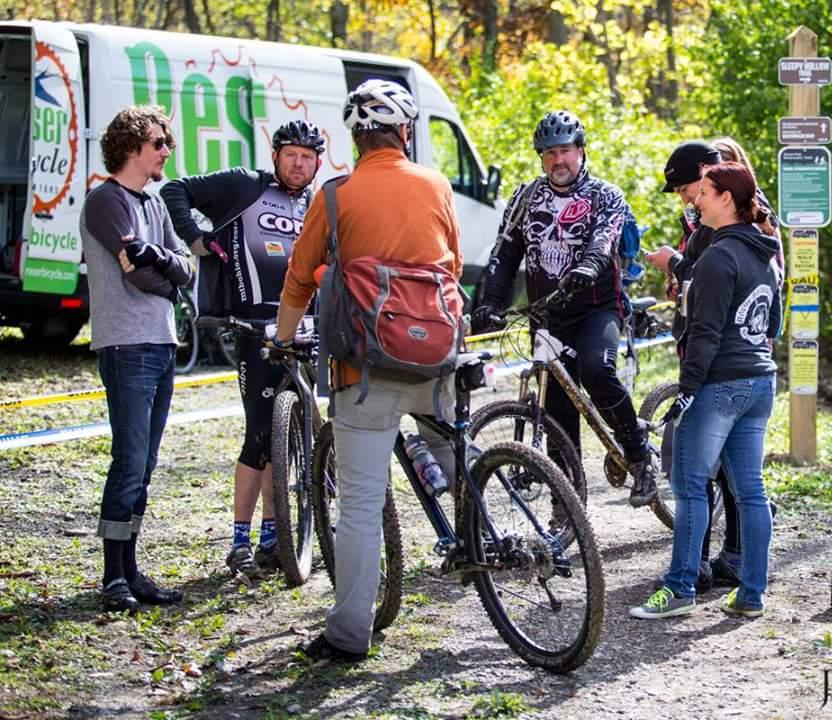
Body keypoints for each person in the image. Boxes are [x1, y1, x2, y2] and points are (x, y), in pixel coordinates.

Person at [273, 79, 462, 661]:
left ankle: (349, 634)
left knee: (357, 505)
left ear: (355, 138)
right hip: (437, 359)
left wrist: (284, 342)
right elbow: (451, 263)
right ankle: (488, 537)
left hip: (365, 372)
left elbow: (300, 280)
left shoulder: (335, 196)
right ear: (405, 132)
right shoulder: (436, 184)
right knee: (459, 459)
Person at [161, 120, 324, 580]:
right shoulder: (244, 185)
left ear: (317, 164)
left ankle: (275, 536)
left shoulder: (314, 204)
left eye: (307, 157)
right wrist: (198, 240)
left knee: (286, 442)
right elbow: (175, 189)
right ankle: (239, 541)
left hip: (303, 331)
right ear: (276, 156)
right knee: (258, 435)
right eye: (291, 154)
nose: (299, 163)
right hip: (254, 329)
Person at [471, 110, 658, 506]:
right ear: (541, 157)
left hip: (597, 308)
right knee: (555, 404)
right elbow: (504, 255)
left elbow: (605, 240)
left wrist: (589, 267)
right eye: (550, 153)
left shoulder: (605, 195)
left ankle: (640, 456)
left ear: (581, 151)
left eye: (566, 151)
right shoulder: (526, 198)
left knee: (597, 369)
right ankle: (567, 502)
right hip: (548, 316)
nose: (559, 160)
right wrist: (489, 302)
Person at [630, 162, 782, 620]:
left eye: (706, 192)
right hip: (761, 381)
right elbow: (773, 323)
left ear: (727, 199)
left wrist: (687, 391)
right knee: (750, 489)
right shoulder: (763, 252)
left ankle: (678, 589)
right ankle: (751, 594)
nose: (696, 200)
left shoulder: (720, 257)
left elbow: (704, 334)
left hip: (722, 383)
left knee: (690, 486)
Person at [80, 105, 194, 612]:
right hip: (126, 345)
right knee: (127, 462)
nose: (166, 150)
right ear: (131, 148)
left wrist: (162, 263)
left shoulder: (153, 202)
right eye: (158, 142)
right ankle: (112, 576)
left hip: (162, 343)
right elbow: (134, 274)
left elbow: (185, 268)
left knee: (145, 465)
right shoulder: (106, 200)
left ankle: (131, 569)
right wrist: (164, 274)